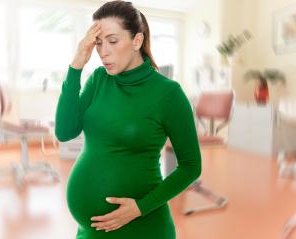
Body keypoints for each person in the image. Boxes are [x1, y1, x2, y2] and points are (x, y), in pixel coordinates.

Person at [55, 1, 201, 238]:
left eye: (113, 41)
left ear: (137, 41)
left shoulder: (168, 94)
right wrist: (76, 65)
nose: (103, 52)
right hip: (90, 232)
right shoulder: (99, 79)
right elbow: (64, 131)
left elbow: (191, 166)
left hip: (142, 227)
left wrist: (140, 208)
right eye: (99, 43)